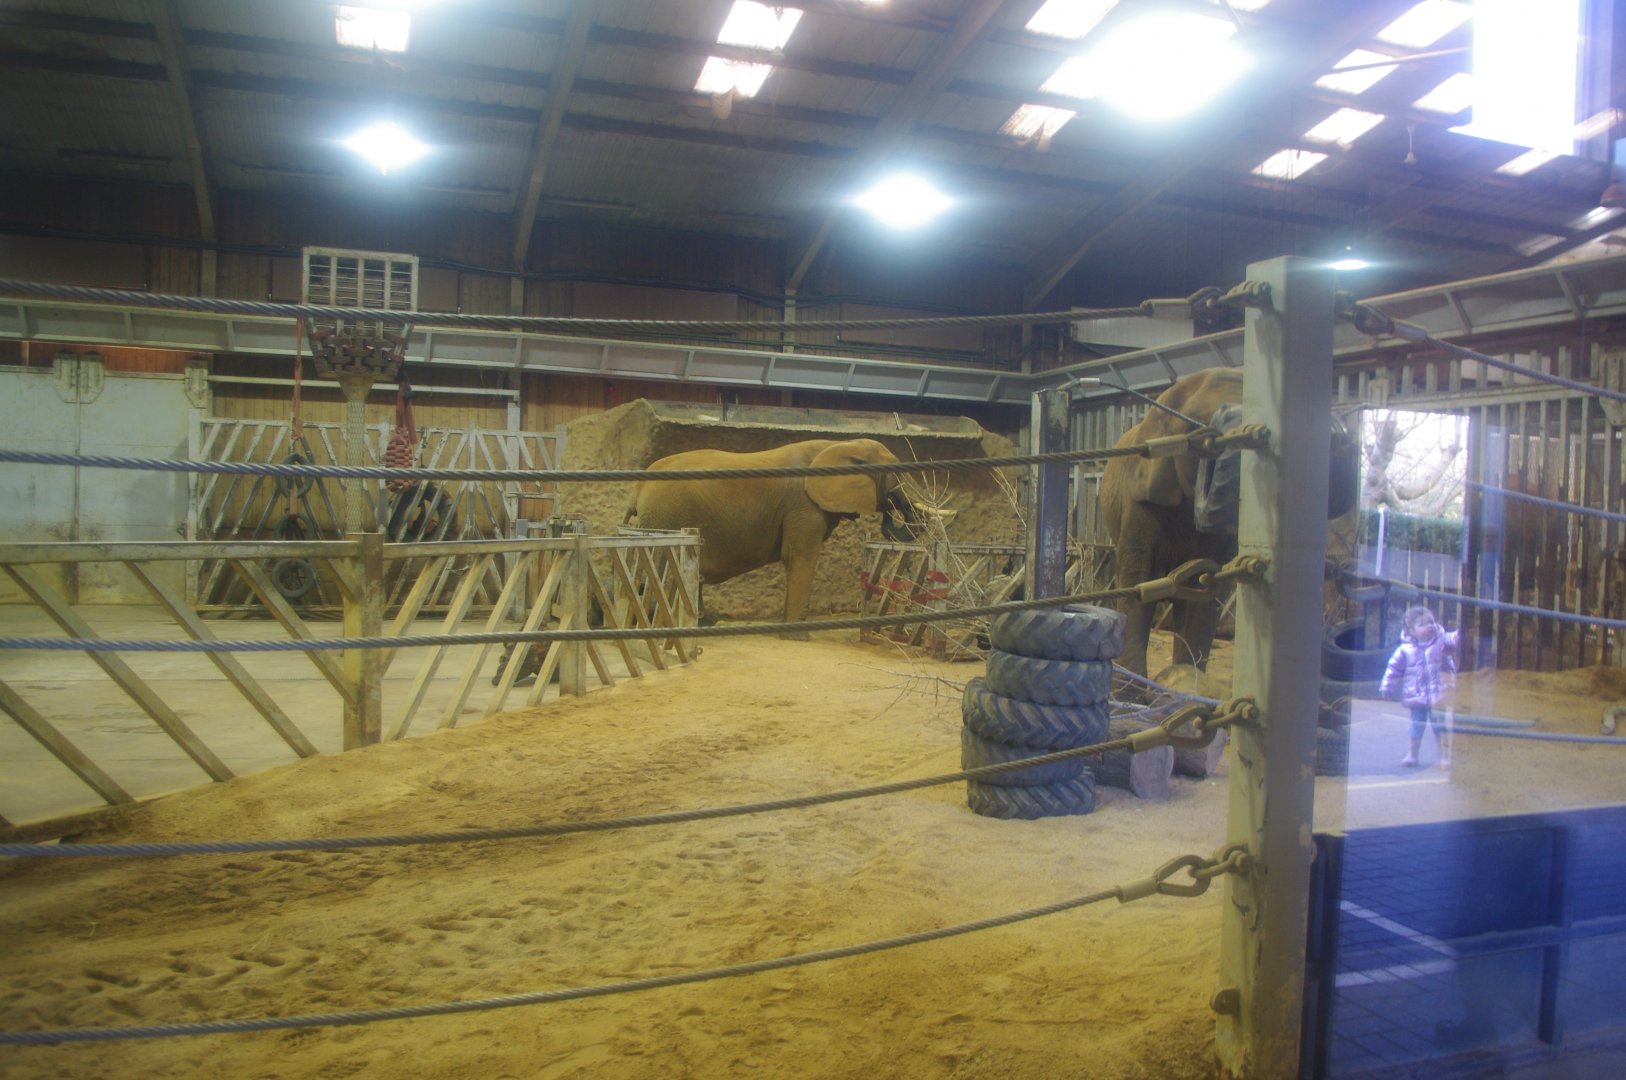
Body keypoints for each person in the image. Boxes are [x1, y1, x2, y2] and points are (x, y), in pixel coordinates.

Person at [1380, 604, 1460, 768]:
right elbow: (1393, 668)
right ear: (1411, 630)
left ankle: (1443, 757)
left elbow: (1453, 640)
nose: (1429, 626)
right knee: (1416, 726)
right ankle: (1412, 755)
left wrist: (1461, 633)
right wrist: (1387, 687)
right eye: (1422, 624)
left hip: (1438, 695)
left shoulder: (1440, 641)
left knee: (1439, 727)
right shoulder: (1405, 649)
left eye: (1431, 622)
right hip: (1416, 696)